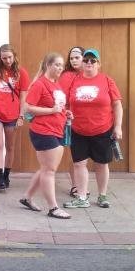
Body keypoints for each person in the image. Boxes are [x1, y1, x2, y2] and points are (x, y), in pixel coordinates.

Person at [62, 49, 123, 209]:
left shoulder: (106, 80)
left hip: (102, 129)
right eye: (86, 60)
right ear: (82, 63)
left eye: (92, 60)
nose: (89, 63)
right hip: (78, 130)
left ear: (98, 64)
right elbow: (66, 103)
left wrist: (118, 127)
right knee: (79, 164)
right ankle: (82, 197)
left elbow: (117, 104)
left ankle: (102, 196)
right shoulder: (74, 81)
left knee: (101, 164)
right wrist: (66, 113)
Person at [18, 52, 72, 220]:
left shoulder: (56, 85)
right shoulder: (40, 84)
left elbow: (58, 107)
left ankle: (27, 197)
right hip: (43, 131)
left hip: (57, 129)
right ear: (48, 65)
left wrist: (65, 113)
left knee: (45, 168)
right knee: (50, 170)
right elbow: (27, 107)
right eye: (57, 65)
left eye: (62, 66)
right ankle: (53, 208)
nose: (60, 68)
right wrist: (51, 111)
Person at [0, 44, 30, 192]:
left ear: (14, 56)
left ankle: (6, 176)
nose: (7, 60)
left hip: (13, 115)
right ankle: (0, 179)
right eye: (4, 58)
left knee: (10, 146)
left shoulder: (21, 73)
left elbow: (23, 97)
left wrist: (21, 116)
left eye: (9, 57)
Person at [59, 46, 84, 198]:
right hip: (70, 119)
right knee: (76, 154)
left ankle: (82, 185)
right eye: (71, 58)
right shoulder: (66, 75)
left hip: (87, 119)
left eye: (77, 57)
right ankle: (76, 186)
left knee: (84, 157)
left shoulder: (89, 74)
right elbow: (61, 98)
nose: (74, 61)